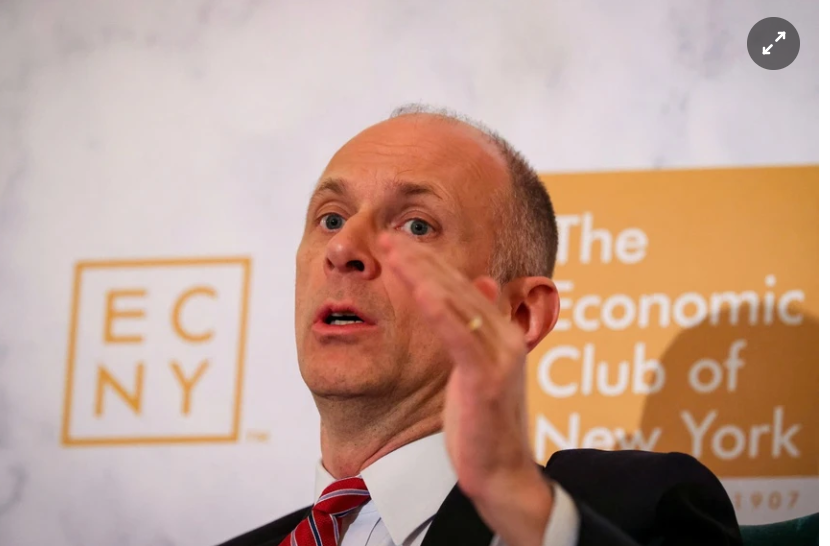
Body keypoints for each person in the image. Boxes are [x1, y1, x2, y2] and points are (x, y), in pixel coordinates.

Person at [218, 105, 742, 546]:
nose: (342, 247)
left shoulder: (630, 507)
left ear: (519, 316)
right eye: (331, 218)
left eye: (416, 225)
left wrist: (516, 502)